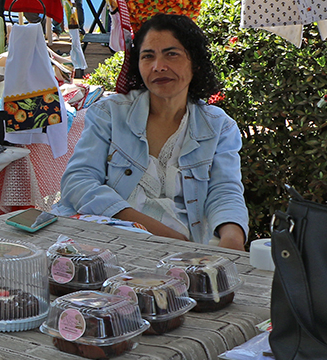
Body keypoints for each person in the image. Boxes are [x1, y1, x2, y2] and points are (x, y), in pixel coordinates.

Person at [58, 13, 248, 249]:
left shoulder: (219, 127)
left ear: (195, 62)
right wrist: (154, 231)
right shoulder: (109, 114)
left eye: (172, 54)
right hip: (103, 243)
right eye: (148, 56)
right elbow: (78, 182)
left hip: (184, 252)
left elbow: (225, 190)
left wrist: (232, 239)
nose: (159, 67)